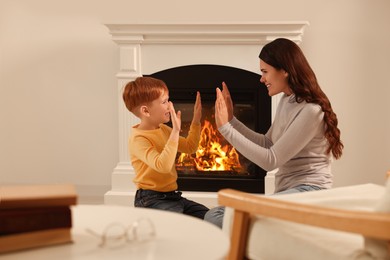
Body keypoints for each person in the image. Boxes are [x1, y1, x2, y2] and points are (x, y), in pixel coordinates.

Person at [204, 38, 344, 228]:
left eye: (265, 72)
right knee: (216, 213)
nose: (261, 79)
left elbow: (270, 160)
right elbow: (268, 143)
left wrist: (225, 129)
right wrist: (231, 120)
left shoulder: (311, 111)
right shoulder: (288, 100)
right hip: (288, 191)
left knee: (220, 217)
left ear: (285, 70)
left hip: (310, 192)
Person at [122, 76, 209, 219]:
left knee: (210, 217)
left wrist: (196, 120)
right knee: (177, 226)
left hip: (173, 197)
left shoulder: (163, 129)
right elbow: (162, 166)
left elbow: (190, 147)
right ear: (146, 111)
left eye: (168, 100)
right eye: (164, 102)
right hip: (151, 199)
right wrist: (175, 131)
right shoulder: (138, 139)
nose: (170, 106)